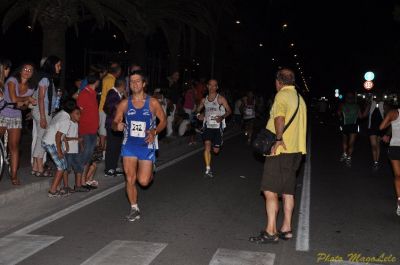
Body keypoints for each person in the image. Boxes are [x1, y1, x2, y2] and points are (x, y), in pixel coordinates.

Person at [249, 68, 307, 243]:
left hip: (281, 151)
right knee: (288, 191)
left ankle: (271, 231)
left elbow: (279, 118)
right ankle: (287, 228)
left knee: (269, 190)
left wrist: (279, 138)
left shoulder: (281, 96)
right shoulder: (300, 98)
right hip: (296, 151)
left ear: (278, 81)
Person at [113, 70, 166, 222]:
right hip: (129, 145)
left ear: (143, 84)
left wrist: (154, 131)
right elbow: (114, 122)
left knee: (143, 181)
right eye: (132, 82)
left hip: (146, 146)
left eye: (138, 81)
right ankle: (134, 208)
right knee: (130, 178)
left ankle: (151, 169)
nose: (134, 84)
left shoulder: (153, 102)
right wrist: (117, 126)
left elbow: (163, 121)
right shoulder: (124, 103)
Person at [0, 63, 37, 185]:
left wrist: (26, 102)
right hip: (2, 113)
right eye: (25, 69)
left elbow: (24, 107)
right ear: (20, 71)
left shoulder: (31, 87)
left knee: (14, 146)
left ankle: (14, 175)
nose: (27, 71)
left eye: (30, 70)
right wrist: (28, 99)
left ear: (32, 74)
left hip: (16, 116)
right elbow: (13, 99)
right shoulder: (12, 80)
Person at [32, 56, 62, 177]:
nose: (60, 68)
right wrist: (43, 117)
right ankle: (39, 167)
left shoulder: (47, 77)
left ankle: (35, 167)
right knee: (42, 139)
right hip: (42, 112)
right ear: (52, 65)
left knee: (41, 138)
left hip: (43, 111)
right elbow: (40, 98)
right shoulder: (45, 78)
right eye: (58, 65)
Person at [44, 99, 81, 197]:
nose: (79, 116)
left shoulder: (61, 113)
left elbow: (60, 135)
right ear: (72, 112)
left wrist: (64, 144)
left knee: (63, 164)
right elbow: (58, 136)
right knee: (61, 166)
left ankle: (58, 187)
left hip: (48, 139)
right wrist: (60, 151)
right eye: (76, 113)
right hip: (50, 142)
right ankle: (53, 191)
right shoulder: (66, 121)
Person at [196, 79, 232, 178]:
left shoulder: (221, 99)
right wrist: (199, 115)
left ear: (217, 87)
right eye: (210, 85)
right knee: (207, 145)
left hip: (217, 128)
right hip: (207, 126)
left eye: (214, 85)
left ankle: (217, 144)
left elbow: (229, 111)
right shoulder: (204, 100)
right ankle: (208, 169)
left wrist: (222, 117)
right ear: (207, 86)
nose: (212, 87)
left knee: (216, 150)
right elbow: (197, 110)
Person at [77, 73, 100, 191]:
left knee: (89, 155)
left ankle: (84, 180)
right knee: (84, 155)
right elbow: (79, 112)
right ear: (97, 82)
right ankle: (79, 182)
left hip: (93, 129)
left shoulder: (93, 94)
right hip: (86, 129)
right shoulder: (84, 94)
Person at [98, 62, 122, 158]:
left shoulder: (106, 78)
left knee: (103, 132)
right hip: (105, 109)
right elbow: (112, 96)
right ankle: (103, 154)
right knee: (104, 133)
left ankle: (103, 153)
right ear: (118, 71)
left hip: (103, 108)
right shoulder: (111, 80)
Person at [103, 78, 126, 177]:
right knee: (111, 147)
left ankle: (114, 166)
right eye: (125, 86)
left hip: (118, 124)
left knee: (117, 146)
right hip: (112, 124)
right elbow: (110, 107)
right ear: (121, 85)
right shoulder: (112, 93)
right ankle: (109, 168)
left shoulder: (118, 94)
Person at [380, 108, 400, 216]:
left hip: (395, 147)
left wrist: (392, 122)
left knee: (397, 175)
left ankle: (399, 202)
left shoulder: (393, 113)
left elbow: (381, 127)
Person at [337, 91, 362, 167]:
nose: (350, 98)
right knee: (346, 141)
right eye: (349, 97)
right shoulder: (344, 105)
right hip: (347, 125)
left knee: (350, 143)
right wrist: (340, 116)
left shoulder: (355, 106)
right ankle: (345, 155)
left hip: (352, 125)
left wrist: (367, 108)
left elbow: (360, 116)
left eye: (351, 97)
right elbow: (339, 112)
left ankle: (348, 156)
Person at [362, 95, 385, 170]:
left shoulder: (384, 104)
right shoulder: (371, 104)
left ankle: (376, 162)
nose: (378, 97)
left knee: (378, 145)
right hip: (372, 127)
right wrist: (367, 106)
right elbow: (364, 115)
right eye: (376, 95)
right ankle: (375, 161)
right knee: (373, 145)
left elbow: (388, 116)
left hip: (381, 127)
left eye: (379, 95)